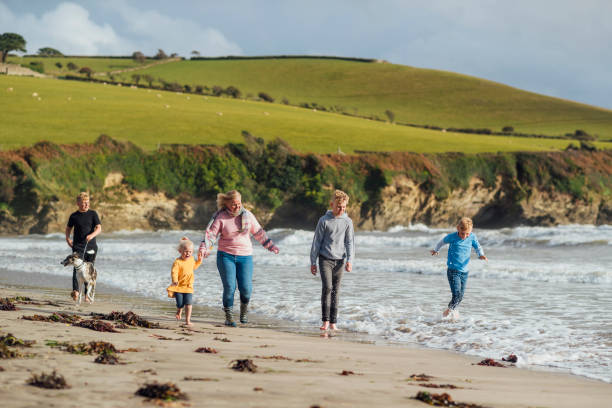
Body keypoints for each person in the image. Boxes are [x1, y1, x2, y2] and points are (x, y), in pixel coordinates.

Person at [198, 190, 279, 327]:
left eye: (239, 203)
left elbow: (259, 233)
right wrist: (203, 249)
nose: (237, 207)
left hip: (245, 257)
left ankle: (243, 311)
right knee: (230, 287)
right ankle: (229, 317)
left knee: (246, 289)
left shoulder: (248, 215)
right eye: (234, 204)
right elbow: (211, 235)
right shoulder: (220, 217)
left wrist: (270, 246)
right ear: (226, 203)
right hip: (225, 256)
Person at [310, 190, 355, 331]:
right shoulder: (324, 220)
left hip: (340, 261)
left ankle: (333, 322)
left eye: (344, 207)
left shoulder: (347, 221)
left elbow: (350, 242)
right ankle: (325, 321)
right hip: (325, 259)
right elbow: (316, 242)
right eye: (339, 206)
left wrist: (350, 260)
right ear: (332, 204)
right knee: (328, 288)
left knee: (336, 290)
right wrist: (313, 262)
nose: (341, 209)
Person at [430, 217, 488, 317]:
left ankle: (450, 315)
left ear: (471, 231)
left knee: (460, 296)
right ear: (458, 228)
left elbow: (478, 246)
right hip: (453, 271)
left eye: (467, 234)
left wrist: (481, 254)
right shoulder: (452, 237)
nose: (464, 236)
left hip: (465, 272)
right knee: (456, 295)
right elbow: (441, 242)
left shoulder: (472, 237)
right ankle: (446, 315)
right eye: (462, 233)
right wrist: (436, 250)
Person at [65, 192, 101, 302]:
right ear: (78, 203)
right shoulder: (74, 216)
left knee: (88, 271)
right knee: (77, 269)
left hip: (91, 246)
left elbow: (99, 228)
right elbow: (68, 228)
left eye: (87, 203)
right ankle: (75, 291)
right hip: (78, 246)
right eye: (84, 203)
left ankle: (86, 295)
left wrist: (92, 235)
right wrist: (67, 238)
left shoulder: (93, 214)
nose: (86, 205)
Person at [167, 237, 202, 326]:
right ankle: (179, 310)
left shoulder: (191, 260)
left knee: (188, 303)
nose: (188, 253)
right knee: (180, 303)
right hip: (179, 287)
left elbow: (194, 267)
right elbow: (174, 272)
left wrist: (199, 261)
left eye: (190, 252)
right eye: (186, 251)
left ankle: (187, 320)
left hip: (188, 286)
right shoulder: (177, 262)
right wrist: (175, 280)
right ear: (180, 251)